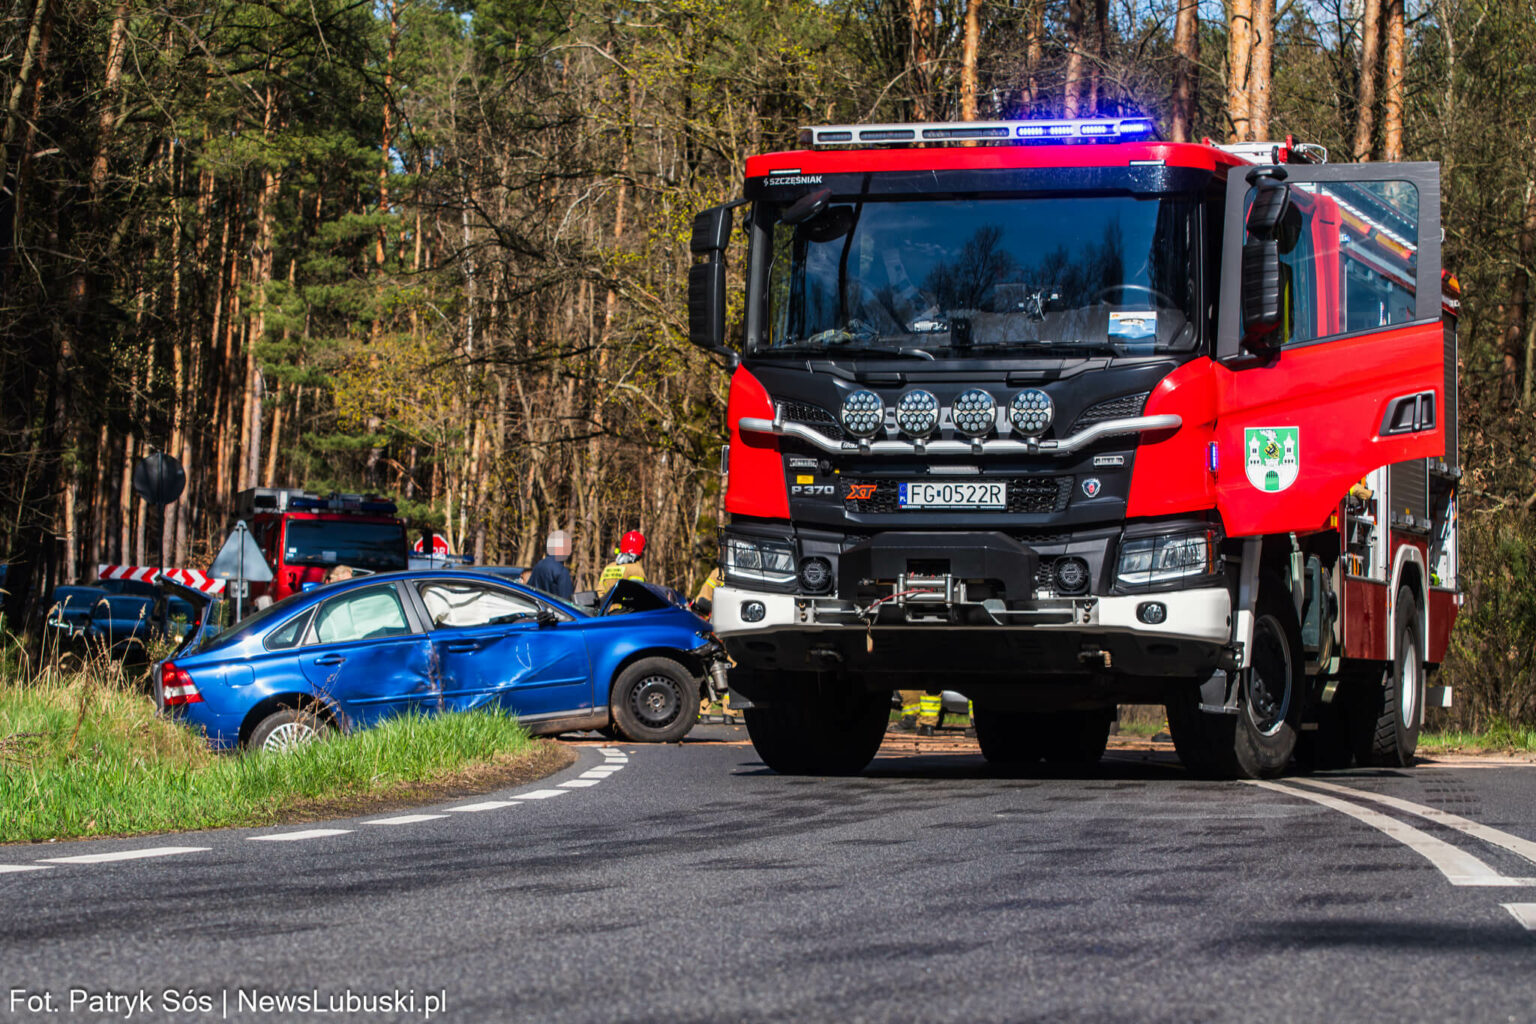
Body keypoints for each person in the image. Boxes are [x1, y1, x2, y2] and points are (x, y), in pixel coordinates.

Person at [525, 529, 575, 600]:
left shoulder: (539, 565)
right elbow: (566, 600)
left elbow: (529, 589)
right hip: (555, 609)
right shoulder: (562, 571)